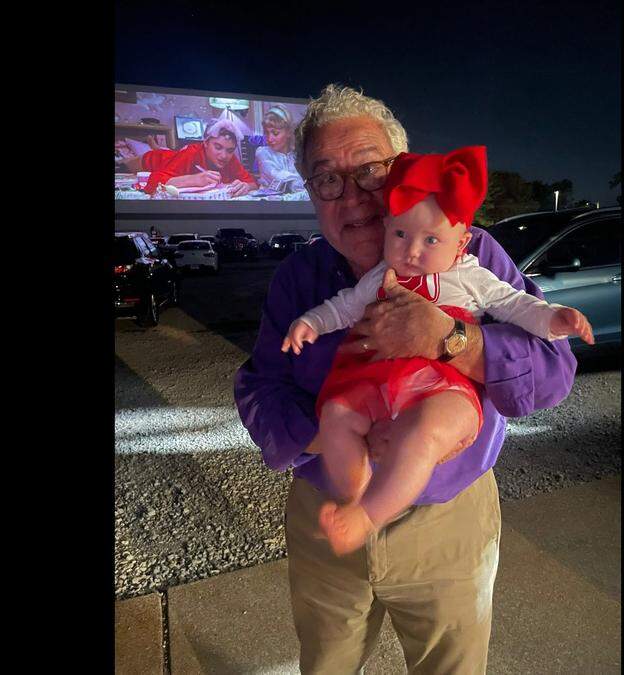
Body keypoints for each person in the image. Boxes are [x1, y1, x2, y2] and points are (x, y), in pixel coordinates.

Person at [233, 84, 578, 674]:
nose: (357, 199)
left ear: (403, 171)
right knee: (327, 664)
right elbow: (259, 387)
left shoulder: (472, 254)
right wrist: (335, 433)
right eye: (328, 180)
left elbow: (552, 373)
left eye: (371, 171)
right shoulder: (302, 275)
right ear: (312, 195)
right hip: (329, 514)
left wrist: (449, 341)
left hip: (447, 520)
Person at [280, 145, 594, 556]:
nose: (412, 251)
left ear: (462, 242)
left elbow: (515, 305)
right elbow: (343, 306)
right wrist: (311, 322)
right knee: (337, 415)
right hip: (374, 381)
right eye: (400, 235)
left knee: (424, 434)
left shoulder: (472, 274)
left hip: (439, 387)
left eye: (431, 239)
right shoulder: (378, 274)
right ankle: (352, 494)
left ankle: (367, 515)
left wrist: (553, 318)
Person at [139, 119, 257, 197]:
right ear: (205, 143)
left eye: (230, 150)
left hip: (171, 155)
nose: (224, 156)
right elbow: (152, 183)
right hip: (153, 159)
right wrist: (194, 179)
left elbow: (253, 183)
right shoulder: (191, 152)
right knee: (127, 162)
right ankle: (152, 145)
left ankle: (155, 145)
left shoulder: (230, 158)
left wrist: (245, 186)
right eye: (218, 147)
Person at [255, 105, 305, 193]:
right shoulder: (263, 153)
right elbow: (279, 177)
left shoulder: (296, 155)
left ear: (289, 132)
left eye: (275, 133)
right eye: (266, 133)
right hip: (270, 204)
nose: (269, 139)